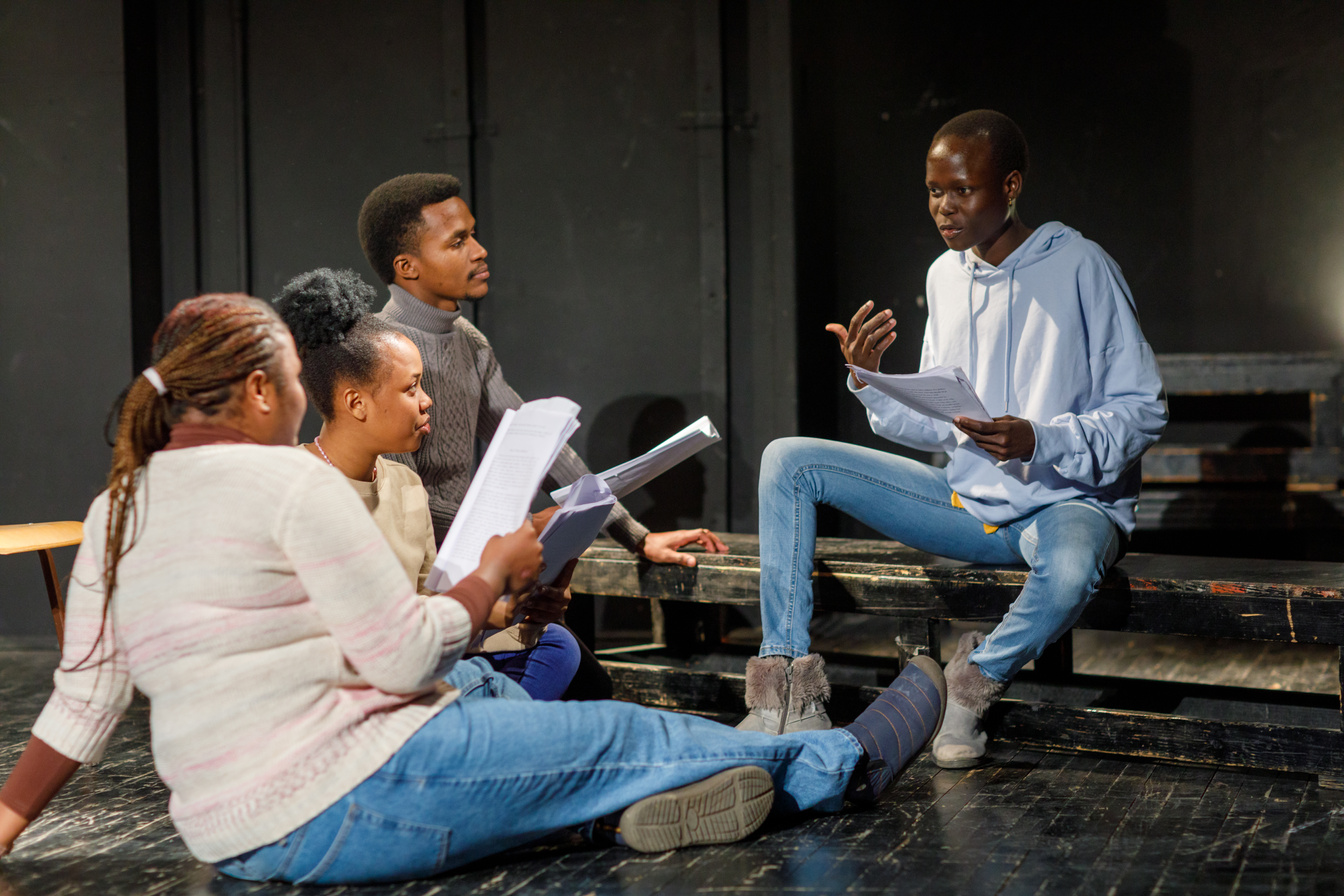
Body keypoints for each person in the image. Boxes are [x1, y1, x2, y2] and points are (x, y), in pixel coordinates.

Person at [0, 294, 946, 884]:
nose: (298, 395)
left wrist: (4, 825)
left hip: (228, 834)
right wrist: (495, 570)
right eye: (290, 379)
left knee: (487, 686)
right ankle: (837, 765)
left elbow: (84, 699)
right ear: (256, 391)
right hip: (341, 801)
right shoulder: (290, 483)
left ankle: (606, 815)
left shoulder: (117, 506)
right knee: (619, 735)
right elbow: (403, 654)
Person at [738, 110, 1166, 770]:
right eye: (935, 191)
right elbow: (943, 422)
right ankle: (787, 689)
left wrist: (1039, 439)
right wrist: (873, 382)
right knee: (787, 460)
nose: (945, 207)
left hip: (1068, 502)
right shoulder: (944, 274)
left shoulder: (1082, 266)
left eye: (962, 190)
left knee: (1071, 571)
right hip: (970, 503)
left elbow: (1142, 412)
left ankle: (971, 683)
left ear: (1011, 185)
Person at [357, 173, 728, 564]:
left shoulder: (468, 340)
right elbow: (405, 505)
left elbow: (541, 450)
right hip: (410, 571)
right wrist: (525, 528)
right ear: (407, 266)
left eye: (473, 235)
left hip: (468, 558)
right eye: (458, 241)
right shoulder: (378, 354)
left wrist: (637, 537)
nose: (480, 251)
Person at [273, 266, 581, 700]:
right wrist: (487, 595)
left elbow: (430, 603)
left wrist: (511, 607)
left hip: (419, 655)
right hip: (355, 679)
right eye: (412, 387)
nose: (426, 400)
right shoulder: (294, 487)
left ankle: (490, 720)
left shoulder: (404, 483)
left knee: (555, 644)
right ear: (357, 403)